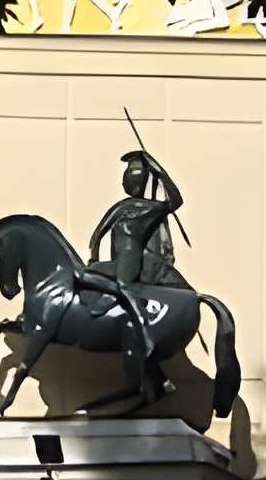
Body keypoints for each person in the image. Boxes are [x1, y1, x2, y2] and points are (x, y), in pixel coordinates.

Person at [78, 148, 186, 356]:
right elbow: (98, 235)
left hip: (131, 260)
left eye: (136, 173)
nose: (131, 178)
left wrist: (159, 171)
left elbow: (176, 201)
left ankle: (142, 331)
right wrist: (93, 259)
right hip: (119, 260)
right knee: (91, 276)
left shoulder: (150, 208)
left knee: (124, 284)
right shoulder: (122, 207)